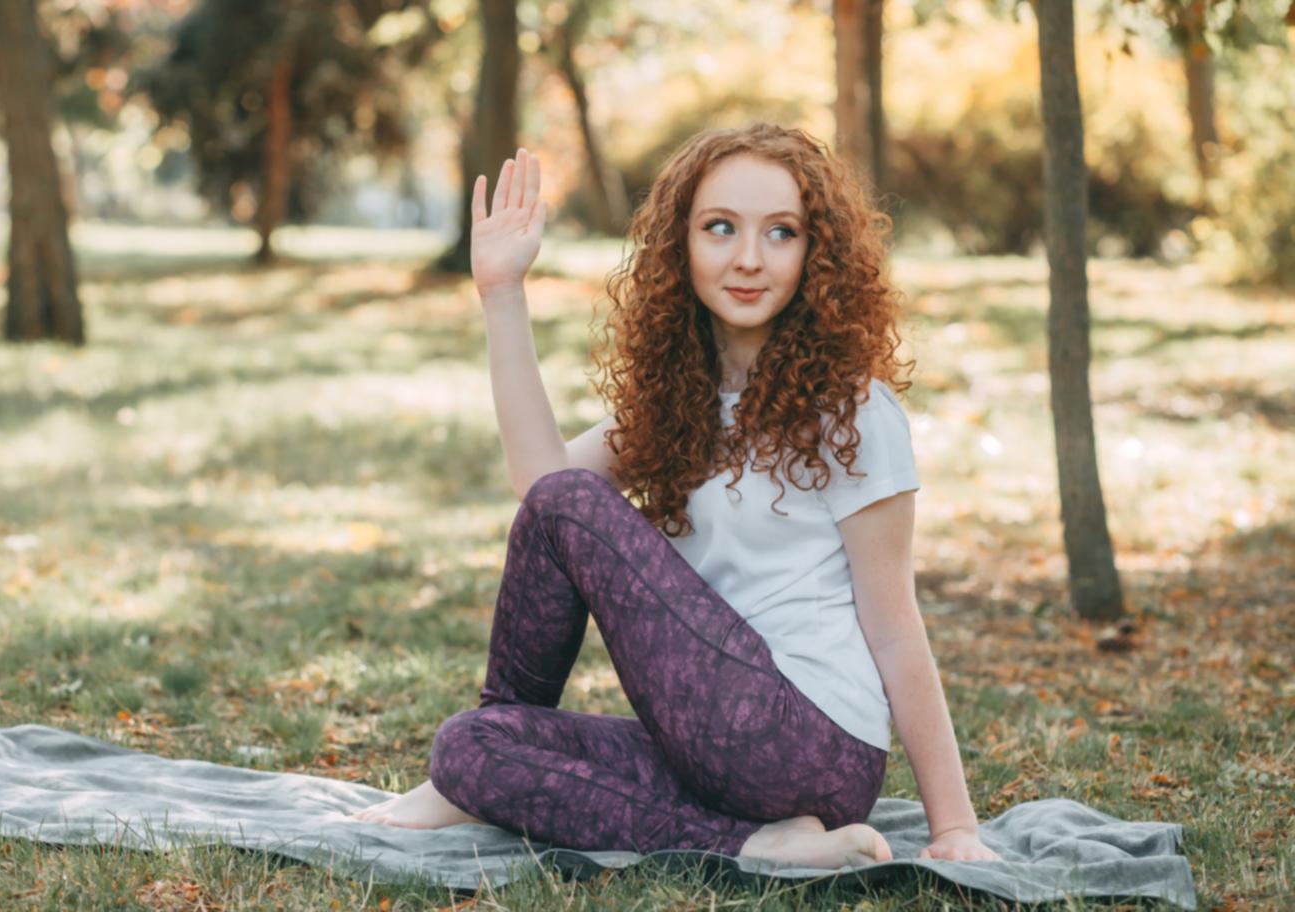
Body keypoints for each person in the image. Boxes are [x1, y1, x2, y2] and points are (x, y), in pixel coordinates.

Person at [351, 122, 1001, 867]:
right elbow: (539, 485)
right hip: (706, 745)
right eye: (720, 228)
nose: (748, 259)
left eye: (781, 232)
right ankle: (757, 843)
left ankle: (511, 771)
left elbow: (894, 626)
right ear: (680, 246)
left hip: (810, 741)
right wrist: (503, 292)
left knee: (569, 504)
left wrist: (955, 828)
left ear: (817, 251)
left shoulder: (850, 411)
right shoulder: (682, 400)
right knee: (470, 747)